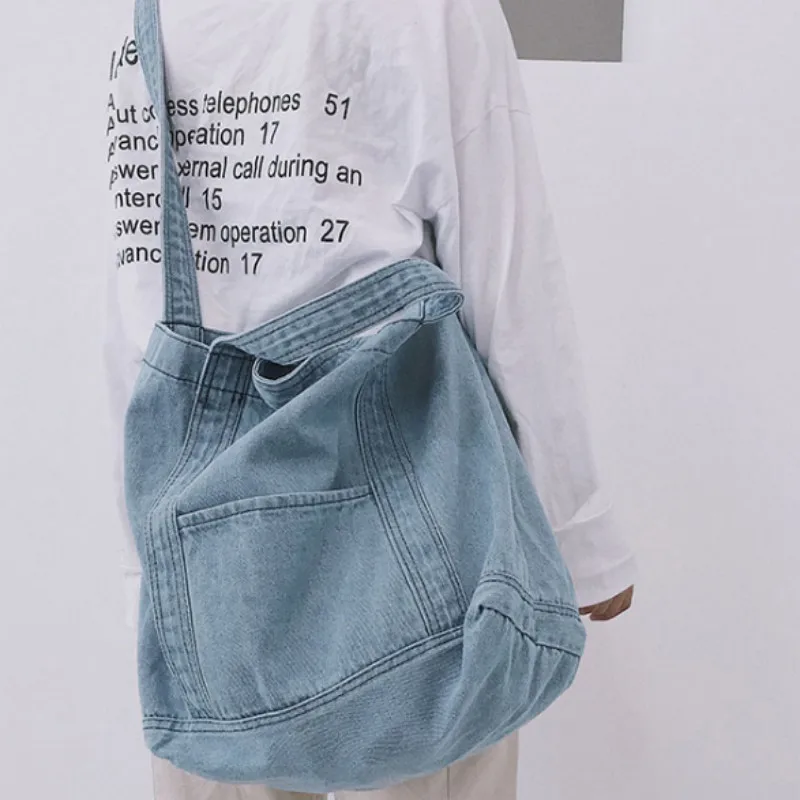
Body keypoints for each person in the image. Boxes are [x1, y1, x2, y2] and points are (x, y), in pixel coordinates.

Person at [102, 0, 637, 797]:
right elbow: (510, 283)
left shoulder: (150, 17)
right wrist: (580, 537)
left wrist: (146, 556)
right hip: (420, 517)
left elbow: (138, 312)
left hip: (210, 555)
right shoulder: (431, 12)